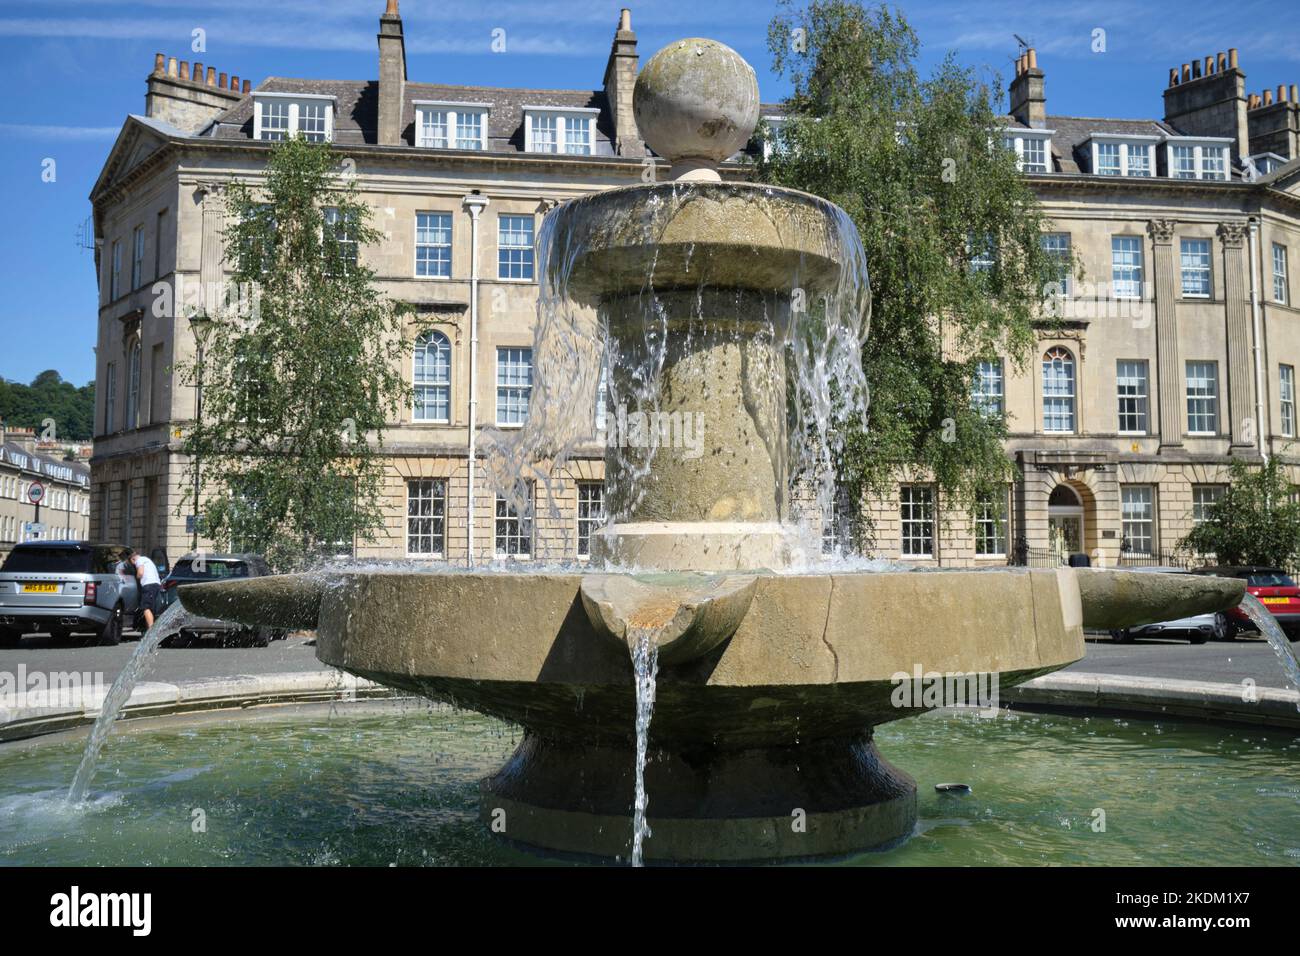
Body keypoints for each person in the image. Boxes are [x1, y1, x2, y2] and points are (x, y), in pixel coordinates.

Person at [124, 548, 163, 630]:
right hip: (156, 585)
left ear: (133, 559)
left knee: (145, 607)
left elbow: (140, 573)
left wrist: (136, 577)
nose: (134, 565)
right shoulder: (147, 560)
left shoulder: (139, 560)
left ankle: (151, 630)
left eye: (132, 563)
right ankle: (149, 628)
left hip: (148, 585)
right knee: (151, 609)